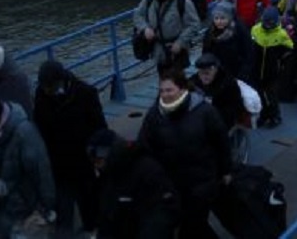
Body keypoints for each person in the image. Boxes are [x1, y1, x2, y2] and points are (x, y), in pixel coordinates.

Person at [138, 69, 232, 239]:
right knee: (188, 223)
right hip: (171, 183)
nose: (165, 95)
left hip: (201, 182)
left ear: (182, 89)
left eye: (169, 90)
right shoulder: (154, 115)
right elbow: (144, 146)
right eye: (162, 90)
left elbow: (222, 142)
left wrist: (226, 170)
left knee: (192, 224)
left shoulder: (205, 112)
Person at [0, 89, 57, 239]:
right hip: (2, 202)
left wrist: (46, 208)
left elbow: (42, 172)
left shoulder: (24, 133)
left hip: (27, 202)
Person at [33, 60, 107, 239]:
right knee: (63, 212)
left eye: (50, 87)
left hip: (84, 160)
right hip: (58, 164)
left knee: (89, 205)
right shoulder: (41, 97)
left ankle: (94, 230)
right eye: (45, 87)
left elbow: (99, 128)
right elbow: (40, 128)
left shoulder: (85, 93)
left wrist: (100, 157)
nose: (47, 91)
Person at [87, 128, 180, 239]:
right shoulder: (109, 174)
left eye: (99, 160)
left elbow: (161, 216)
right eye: (94, 161)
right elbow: (107, 215)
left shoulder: (147, 171)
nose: (96, 166)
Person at [133, 0, 201, 72]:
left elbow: (194, 24)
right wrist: (145, 28)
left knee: (178, 81)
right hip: (157, 49)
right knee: (162, 76)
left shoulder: (183, 1)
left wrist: (180, 42)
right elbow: (138, 15)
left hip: (176, 50)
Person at [251, 7, 294, 128]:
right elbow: (250, 46)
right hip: (256, 69)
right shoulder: (255, 29)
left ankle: (275, 117)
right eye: (266, 22)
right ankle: (264, 115)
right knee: (259, 94)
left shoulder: (281, 34)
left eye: (271, 23)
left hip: (272, 72)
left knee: (272, 95)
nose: (268, 26)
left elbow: (290, 49)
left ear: (275, 22)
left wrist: (280, 59)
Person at [190, 52, 248, 132]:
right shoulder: (194, 81)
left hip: (223, 115)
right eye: (201, 73)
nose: (204, 77)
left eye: (207, 73)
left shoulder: (227, 83)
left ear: (215, 70)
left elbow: (236, 107)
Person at [202, 1, 254, 83]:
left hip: (237, 74)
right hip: (217, 74)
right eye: (216, 18)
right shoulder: (210, 32)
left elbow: (249, 54)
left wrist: (243, 76)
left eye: (223, 18)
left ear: (229, 18)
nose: (219, 22)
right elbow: (206, 52)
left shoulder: (240, 30)